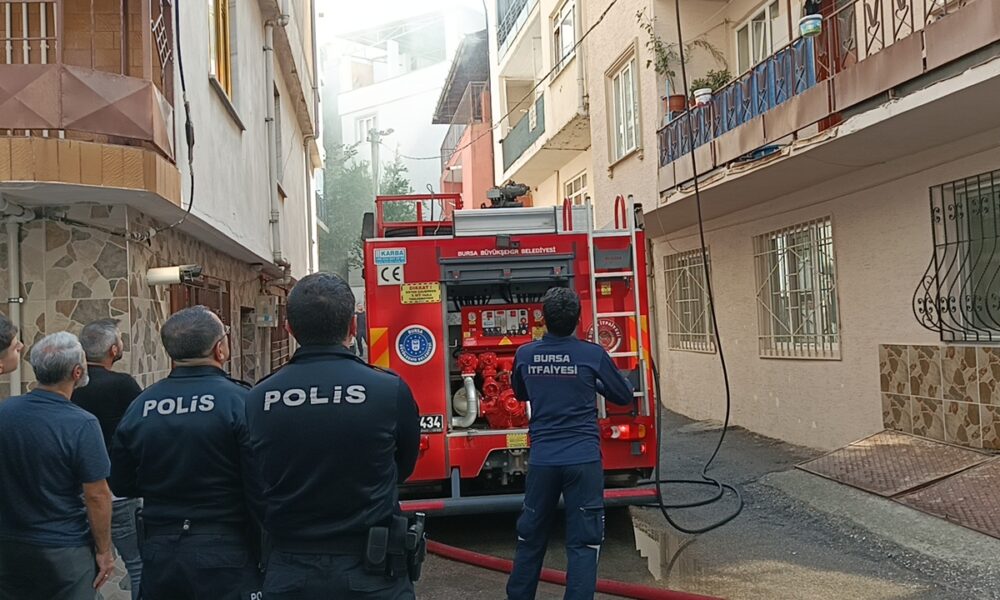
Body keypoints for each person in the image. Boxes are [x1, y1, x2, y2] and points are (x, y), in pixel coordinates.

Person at [246, 273, 420, 599]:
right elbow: (404, 466)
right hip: (373, 569)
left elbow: (256, 476)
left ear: (290, 329)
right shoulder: (388, 390)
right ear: (353, 326)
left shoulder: (258, 397)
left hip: (290, 570)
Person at [109, 306, 262, 599]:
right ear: (220, 349)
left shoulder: (141, 405)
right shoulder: (240, 401)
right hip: (226, 547)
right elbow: (259, 483)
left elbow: (122, 483)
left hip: (160, 550)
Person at [506, 287, 635, 600]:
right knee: (583, 543)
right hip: (583, 460)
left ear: (542, 319)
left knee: (530, 537)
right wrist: (594, 381)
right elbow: (623, 396)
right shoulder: (592, 355)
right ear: (578, 320)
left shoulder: (525, 354)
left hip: (543, 461)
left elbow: (520, 392)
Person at [0, 330, 116, 599]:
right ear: (77, 372)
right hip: (64, 547)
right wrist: (104, 551)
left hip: (8, 544)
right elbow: (97, 495)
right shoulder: (82, 424)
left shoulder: (5, 412)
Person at [72, 318, 144, 600]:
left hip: (77, 492)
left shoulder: (70, 386)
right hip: (118, 490)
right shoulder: (123, 385)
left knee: (87, 568)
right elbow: (142, 430)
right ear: (113, 349)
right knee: (137, 564)